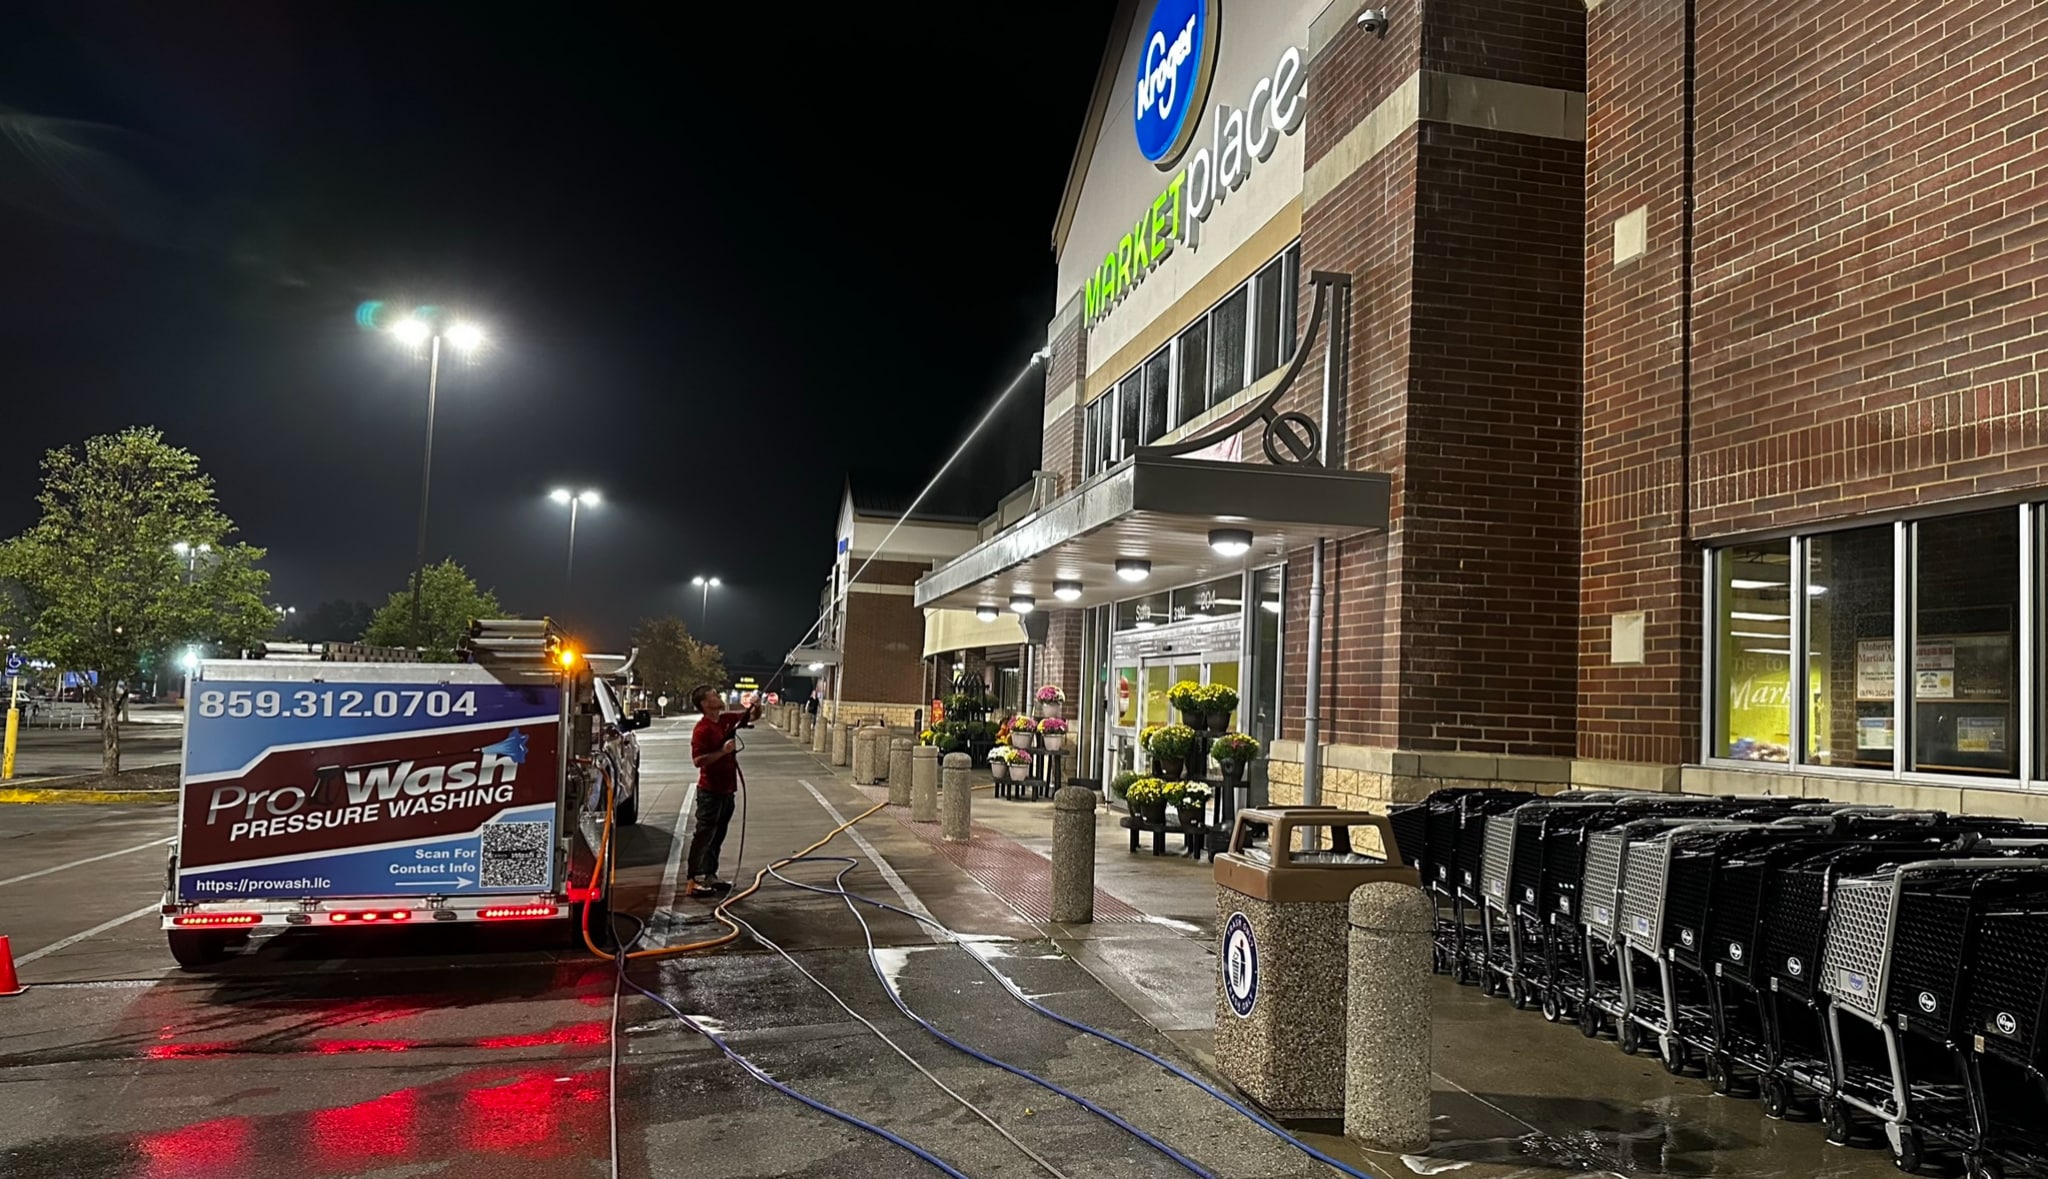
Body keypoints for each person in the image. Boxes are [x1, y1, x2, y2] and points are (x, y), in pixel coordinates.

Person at [687, 683, 761, 898]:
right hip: (710, 791)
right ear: (704, 703)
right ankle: (694, 879)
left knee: (718, 835)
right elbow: (698, 760)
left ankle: (710, 874)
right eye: (713, 695)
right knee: (704, 834)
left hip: (728, 789)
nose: (718, 697)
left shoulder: (727, 719)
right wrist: (722, 751)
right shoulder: (702, 729)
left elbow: (752, 717)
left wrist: (756, 706)